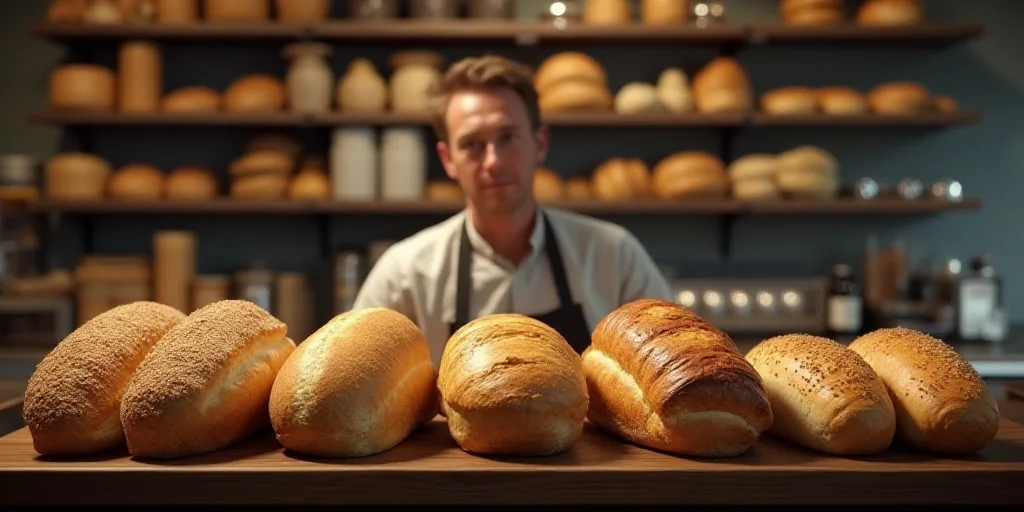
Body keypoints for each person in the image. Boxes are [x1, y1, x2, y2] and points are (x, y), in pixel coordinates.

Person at [351, 54, 675, 366]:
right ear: (448, 159)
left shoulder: (614, 257)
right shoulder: (404, 274)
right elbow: (356, 373)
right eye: (472, 144)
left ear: (541, 143)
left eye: (508, 137)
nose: (493, 161)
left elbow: (673, 359)